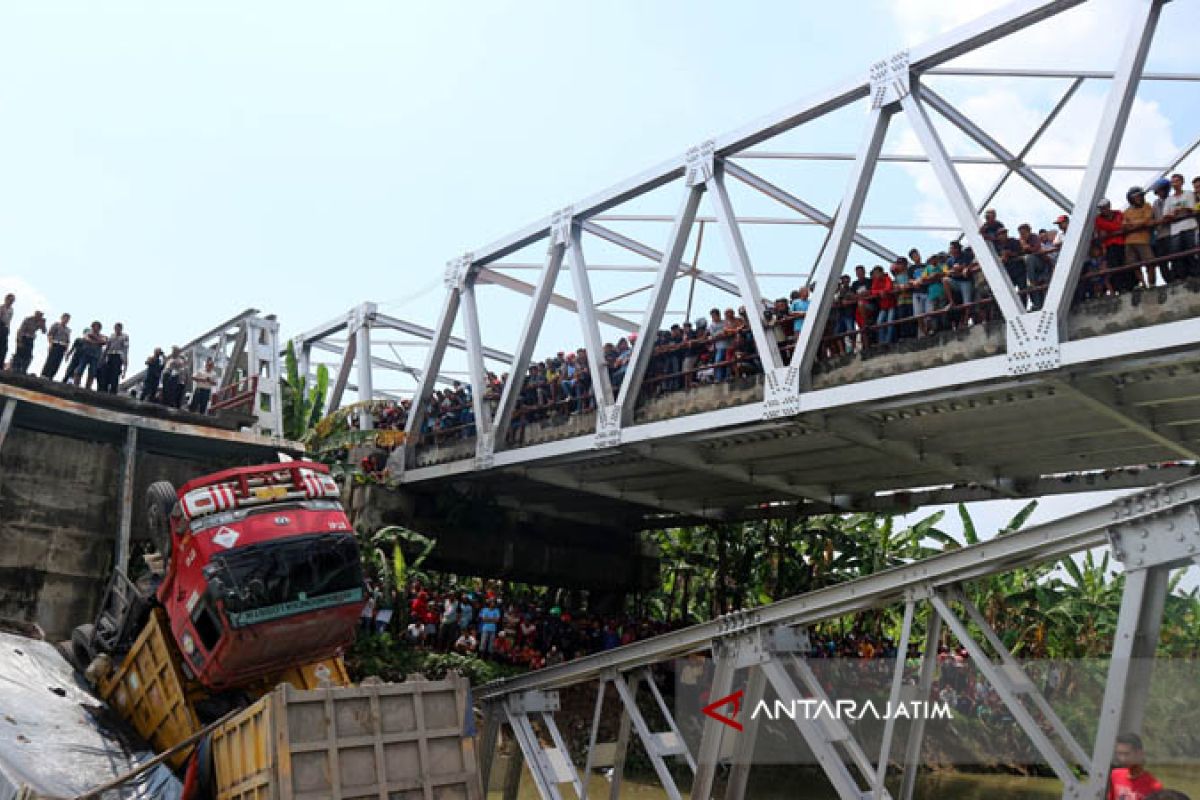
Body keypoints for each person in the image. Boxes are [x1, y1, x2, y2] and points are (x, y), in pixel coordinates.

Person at [1108, 732, 1163, 800]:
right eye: (1119, 753)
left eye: (1126, 754)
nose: (1122, 759)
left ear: (1139, 753)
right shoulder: (1115, 775)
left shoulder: (1154, 786)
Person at [1163, 173, 1197, 280]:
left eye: (1177, 181)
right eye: (1173, 182)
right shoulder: (1169, 199)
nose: (1175, 184)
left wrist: (1177, 211)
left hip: (1189, 226)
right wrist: (1176, 212)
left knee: (1191, 252)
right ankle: (1182, 276)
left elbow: (1192, 208)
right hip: (1175, 230)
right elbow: (1165, 215)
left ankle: (1195, 275)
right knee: (1177, 254)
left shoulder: (1189, 194)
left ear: (1182, 182)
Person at [1123, 186, 1157, 286]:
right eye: (1135, 197)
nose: (1138, 198)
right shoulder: (1127, 211)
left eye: (1139, 196)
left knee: (1150, 262)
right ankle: (1143, 284)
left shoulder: (1147, 206)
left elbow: (1147, 220)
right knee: (1133, 265)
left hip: (1143, 240)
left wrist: (1133, 224)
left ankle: (1152, 284)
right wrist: (1138, 223)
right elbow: (1124, 225)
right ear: (1131, 199)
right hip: (1129, 241)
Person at [98, 322, 129, 393]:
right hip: (110, 355)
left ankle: (113, 390)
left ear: (121, 328)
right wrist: (103, 357)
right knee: (106, 372)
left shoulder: (125, 337)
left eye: (118, 328)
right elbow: (107, 347)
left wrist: (125, 362)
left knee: (115, 374)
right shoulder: (112, 336)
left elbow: (125, 349)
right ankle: (104, 390)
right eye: (115, 328)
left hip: (118, 356)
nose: (117, 330)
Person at [40, 313, 71, 379]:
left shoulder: (68, 330)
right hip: (55, 344)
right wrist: (50, 344)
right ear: (62, 318)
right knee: (50, 361)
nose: (66, 320)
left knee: (57, 363)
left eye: (68, 319)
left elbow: (67, 341)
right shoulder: (56, 325)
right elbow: (50, 335)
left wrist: (67, 351)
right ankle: (44, 375)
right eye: (65, 318)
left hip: (62, 347)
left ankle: (51, 376)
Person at [0, 294, 14, 370]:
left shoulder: (11, 310)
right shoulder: (1, 307)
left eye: (12, 301)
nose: (11, 302)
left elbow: (9, 320)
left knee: (4, 348)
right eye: (10, 300)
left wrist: (8, 329)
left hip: (5, 328)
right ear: (6, 299)